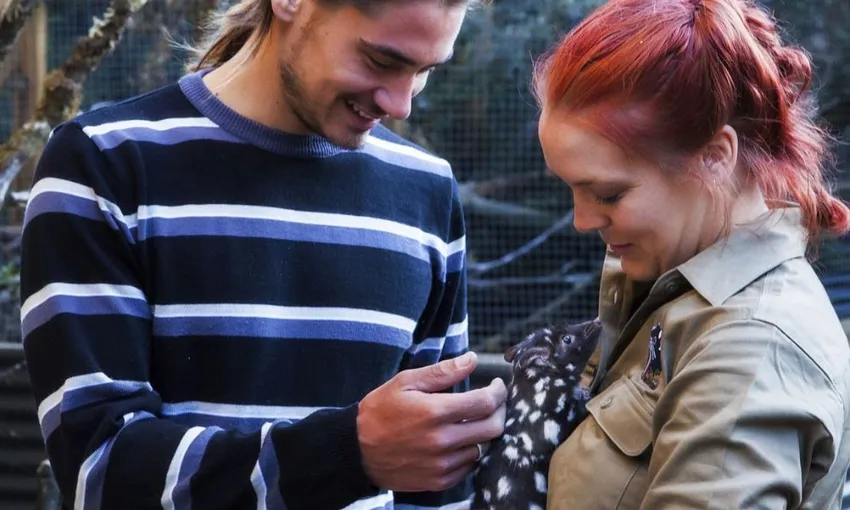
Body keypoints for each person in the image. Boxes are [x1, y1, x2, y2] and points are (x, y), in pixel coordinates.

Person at [18, 0, 507, 509]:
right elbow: (99, 470)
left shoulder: (427, 189)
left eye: (425, 71)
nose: (402, 104)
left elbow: (436, 482)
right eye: (381, 61)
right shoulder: (103, 163)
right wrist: (347, 454)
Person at [531, 0, 850, 508]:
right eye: (570, 187)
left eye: (608, 194)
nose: (582, 220)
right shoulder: (674, 288)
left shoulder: (750, 347)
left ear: (715, 157)